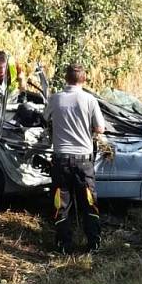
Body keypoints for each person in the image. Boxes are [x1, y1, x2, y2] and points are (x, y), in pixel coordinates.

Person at [43, 63, 105, 253]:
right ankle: (93, 244)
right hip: (83, 162)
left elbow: (45, 119)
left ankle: (63, 246)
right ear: (84, 79)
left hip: (61, 160)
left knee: (61, 203)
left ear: (65, 79)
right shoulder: (89, 100)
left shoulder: (55, 99)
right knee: (88, 202)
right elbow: (100, 128)